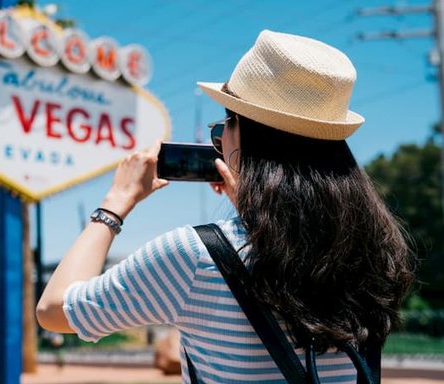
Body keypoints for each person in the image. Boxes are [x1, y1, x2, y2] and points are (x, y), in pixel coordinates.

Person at [36, 30, 415, 383]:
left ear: (244, 141)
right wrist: (255, 212)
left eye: (223, 128)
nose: (218, 141)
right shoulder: (375, 254)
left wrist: (115, 203)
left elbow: (55, 310)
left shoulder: (196, 257)